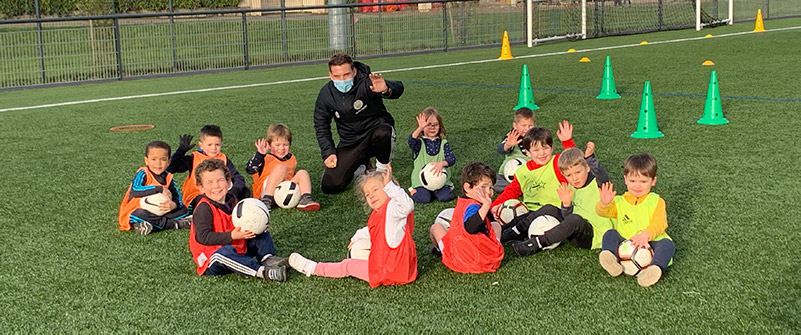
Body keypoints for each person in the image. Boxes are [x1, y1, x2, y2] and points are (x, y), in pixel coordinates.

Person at [287, 165, 418, 288]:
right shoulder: (380, 212)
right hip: (401, 266)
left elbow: (407, 205)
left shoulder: (393, 209)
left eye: (376, 189)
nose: (371, 195)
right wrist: (356, 237)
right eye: (367, 194)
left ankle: (312, 268)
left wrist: (390, 186)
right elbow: (373, 230)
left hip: (389, 272)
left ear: (389, 188)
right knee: (358, 247)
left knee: (348, 265)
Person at [314, 53, 405, 194]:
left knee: (384, 131)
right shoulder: (326, 94)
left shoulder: (367, 82)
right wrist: (328, 152)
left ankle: (381, 171)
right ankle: (362, 166)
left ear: (354, 71)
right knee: (330, 186)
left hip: (375, 134)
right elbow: (321, 125)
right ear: (330, 76)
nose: (342, 80)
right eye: (337, 77)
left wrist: (386, 89)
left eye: (346, 75)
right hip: (350, 142)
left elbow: (399, 88)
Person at [188, 159, 287, 282]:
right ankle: (263, 272)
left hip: (237, 246)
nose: (216, 186)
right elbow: (203, 237)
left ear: (228, 182)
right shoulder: (203, 208)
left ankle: (267, 258)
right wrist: (231, 235)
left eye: (220, 180)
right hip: (212, 257)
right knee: (224, 252)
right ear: (201, 188)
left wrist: (258, 224)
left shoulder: (232, 199)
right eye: (209, 182)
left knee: (261, 232)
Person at [511, 143, 615, 256]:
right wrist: (566, 205)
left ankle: (534, 244)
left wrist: (590, 158)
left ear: (587, 168)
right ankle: (515, 231)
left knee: (574, 220)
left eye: (578, 172)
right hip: (574, 231)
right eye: (569, 175)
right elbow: (566, 217)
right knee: (549, 208)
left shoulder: (599, 184)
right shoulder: (570, 187)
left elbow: (601, 174)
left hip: (593, 237)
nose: (574, 178)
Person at [596, 153, 675, 287]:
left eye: (643, 181)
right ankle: (610, 259)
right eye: (632, 181)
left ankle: (654, 269)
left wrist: (646, 235)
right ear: (625, 179)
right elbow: (603, 213)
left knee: (668, 244)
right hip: (626, 244)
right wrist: (604, 204)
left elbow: (660, 223)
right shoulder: (619, 201)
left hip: (650, 244)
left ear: (653, 181)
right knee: (610, 234)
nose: (637, 186)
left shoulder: (657, 201)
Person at [490, 121, 576, 242]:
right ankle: (491, 232)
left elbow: (574, 161)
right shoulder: (522, 171)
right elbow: (511, 191)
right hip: (529, 212)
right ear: (527, 152)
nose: (541, 153)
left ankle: (511, 234)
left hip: (557, 212)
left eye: (545, 148)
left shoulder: (557, 162)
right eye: (536, 150)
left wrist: (567, 142)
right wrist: (494, 206)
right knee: (514, 215)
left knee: (548, 208)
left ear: (551, 148)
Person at [430, 162, 504, 274]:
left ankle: (439, 250)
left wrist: (486, 208)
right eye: (483, 187)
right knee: (496, 226)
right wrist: (486, 206)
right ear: (467, 187)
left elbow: (471, 227)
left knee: (436, 228)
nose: (489, 192)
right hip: (487, 261)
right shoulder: (474, 206)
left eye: (490, 188)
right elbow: (471, 227)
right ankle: (493, 249)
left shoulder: (469, 204)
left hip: (460, 261)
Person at [168, 125, 249, 212]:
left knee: (244, 191)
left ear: (221, 143)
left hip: (217, 192)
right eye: (209, 145)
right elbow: (171, 168)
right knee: (203, 200)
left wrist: (233, 191)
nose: (214, 148)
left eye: (217, 144)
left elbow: (237, 178)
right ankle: (202, 210)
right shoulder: (194, 158)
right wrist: (180, 152)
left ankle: (229, 208)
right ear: (201, 145)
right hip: (197, 195)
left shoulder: (224, 159)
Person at [118, 141, 191, 235]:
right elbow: (135, 190)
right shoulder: (143, 173)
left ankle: (149, 226)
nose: (158, 163)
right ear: (146, 160)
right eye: (154, 159)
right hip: (137, 210)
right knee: (138, 215)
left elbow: (178, 197)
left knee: (184, 210)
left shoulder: (168, 177)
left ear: (169, 162)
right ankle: (174, 224)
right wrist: (159, 189)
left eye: (163, 159)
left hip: (161, 212)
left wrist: (174, 205)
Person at [245, 123, 320, 211]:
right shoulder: (265, 158)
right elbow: (249, 169)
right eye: (277, 145)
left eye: (285, 145)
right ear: (269, 145)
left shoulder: (292, 158)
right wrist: (259, 154)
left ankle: (305, 199)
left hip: (284, 191)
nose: (282, 148)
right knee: (281, 168)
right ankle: (267, 200)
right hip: (265, 192)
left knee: (302, 173)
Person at [408, 107, 455, 203]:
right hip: (421, 181)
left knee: (446, 197)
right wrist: (419, 128)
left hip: (440, 180)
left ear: (440, 126)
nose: (432, 127)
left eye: (435, 125)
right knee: (424, 199)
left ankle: (442, 189)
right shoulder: (419, 143)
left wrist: (442, 163)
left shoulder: (443, 142)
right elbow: (411, 141)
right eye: (428, 125)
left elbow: (451, 159)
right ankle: (413, 191)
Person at [495, 108, 536, 192]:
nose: (527, 129)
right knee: (494, 181)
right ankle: (519, 188)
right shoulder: (512, 136)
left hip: (530, 172)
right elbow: (500, 150)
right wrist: (508, 145)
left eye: (530, 126)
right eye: (524, 125)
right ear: (515, 125)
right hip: (507, 174)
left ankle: (518, 188)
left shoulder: (536, 136)